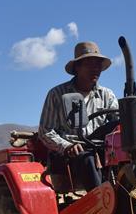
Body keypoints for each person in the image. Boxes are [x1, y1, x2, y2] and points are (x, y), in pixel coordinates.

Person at [39, 41, 118, 191]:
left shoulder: (107, 95)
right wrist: (67, 146)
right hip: (68, 155)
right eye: (89, 64)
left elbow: (116, 123)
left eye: (98, 65)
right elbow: (45, 131)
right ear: (77, 68)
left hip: (101, 149)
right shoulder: (57, 94)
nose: (95, 69)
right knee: (87, 158)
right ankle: (101, 203)